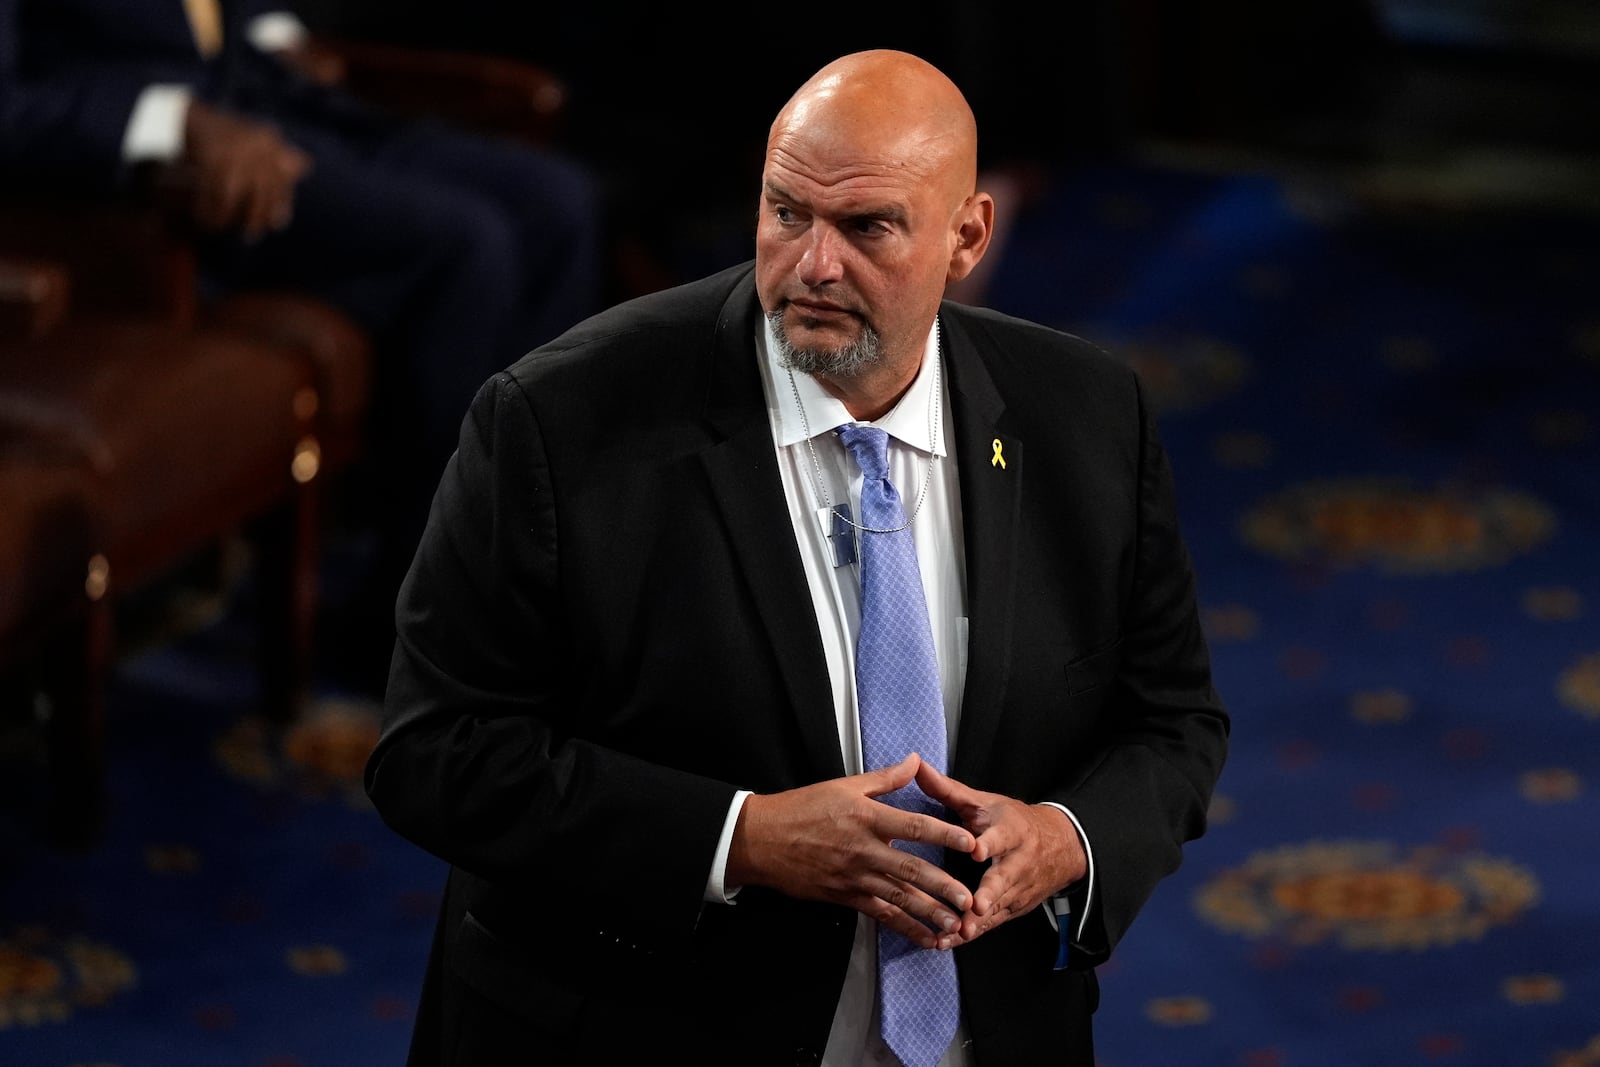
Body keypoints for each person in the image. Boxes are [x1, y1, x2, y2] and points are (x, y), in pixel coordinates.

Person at [366, 48, 1229, 1067]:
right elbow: (435, 751)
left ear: (966, 236)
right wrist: (742, 836)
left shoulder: (1086, 416)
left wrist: (1066, 839)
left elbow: (1172, 723)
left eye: (866, 227)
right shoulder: (560, 423)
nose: (814, 265)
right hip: (647, 1026)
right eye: (786, 214)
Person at [0, 0, 604, 692]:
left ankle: (528, 585)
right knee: (471, 248)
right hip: (169, 180)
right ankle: (428, 631)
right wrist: (172, 122)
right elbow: (9, 106)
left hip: (271, 93)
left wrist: (265, 30)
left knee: (561, 204)